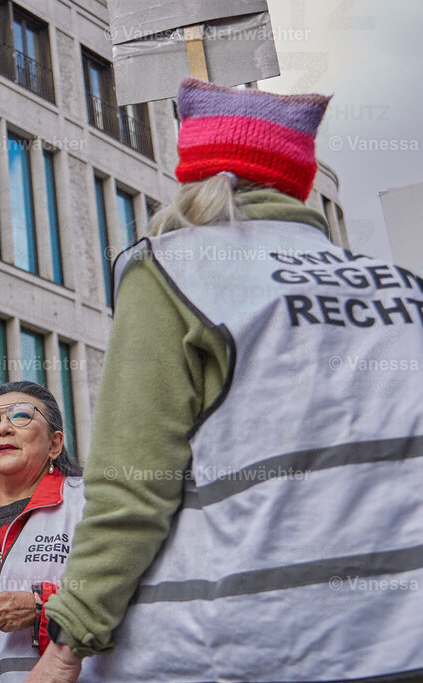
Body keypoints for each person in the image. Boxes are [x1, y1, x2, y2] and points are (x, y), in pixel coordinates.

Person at [30, 79, 423, 682]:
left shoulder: (173, 268)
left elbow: (134, 485)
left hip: (240, 645)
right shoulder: (401, 288)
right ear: (299, 179)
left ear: (195, 176)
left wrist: (68, 642)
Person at [0, 381, 84, 682]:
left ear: (54, 444)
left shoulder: (90, 505)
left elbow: (128, 596)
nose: (2, 428)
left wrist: (42, 608)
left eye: (21, 416)